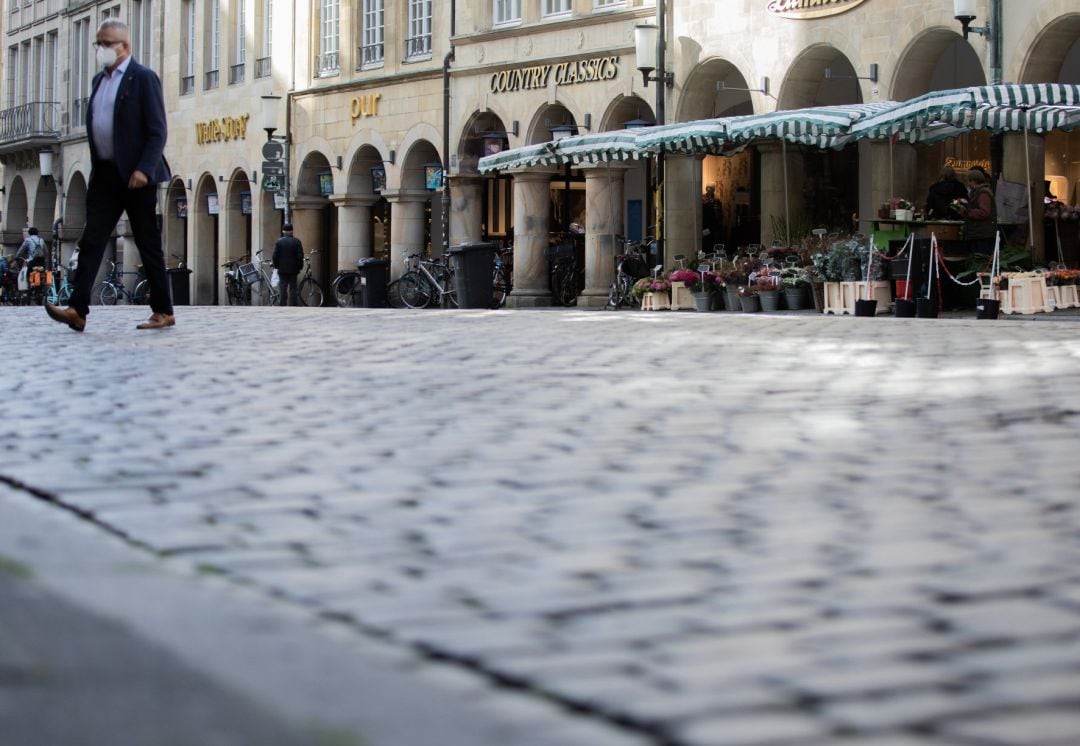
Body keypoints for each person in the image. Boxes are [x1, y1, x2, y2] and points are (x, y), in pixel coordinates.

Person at [45, 19, 172, 332]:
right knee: (92, 239)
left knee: (147, 242)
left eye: (106, 42)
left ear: (124, 46)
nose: (100, 49)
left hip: (135, 175)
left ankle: (164, 311)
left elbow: (157, 131)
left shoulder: (143, 78)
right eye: (98, 43)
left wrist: (144, 168)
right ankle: (78, 309)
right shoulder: (98, 81)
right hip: (104, 173)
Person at [953, 167, 997, 255]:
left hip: (982, 234)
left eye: (968, 181)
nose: (968, 183)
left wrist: (967, 211)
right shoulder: (977, 192)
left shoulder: (983, 193)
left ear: (973, 181)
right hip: (978, 233)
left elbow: (984, 212)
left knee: (980, 260)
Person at [272, 223, 304, 306]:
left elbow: (275, 255)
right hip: (294, 268)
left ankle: (282, 303)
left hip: (282, 268)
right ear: (292, 231)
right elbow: (300, 256)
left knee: (283, 286)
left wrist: (276, 266)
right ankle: (292, 304)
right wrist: (300, 266)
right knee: (293, 287)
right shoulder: (297, 241)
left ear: (283, 231)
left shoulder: (279, 242)